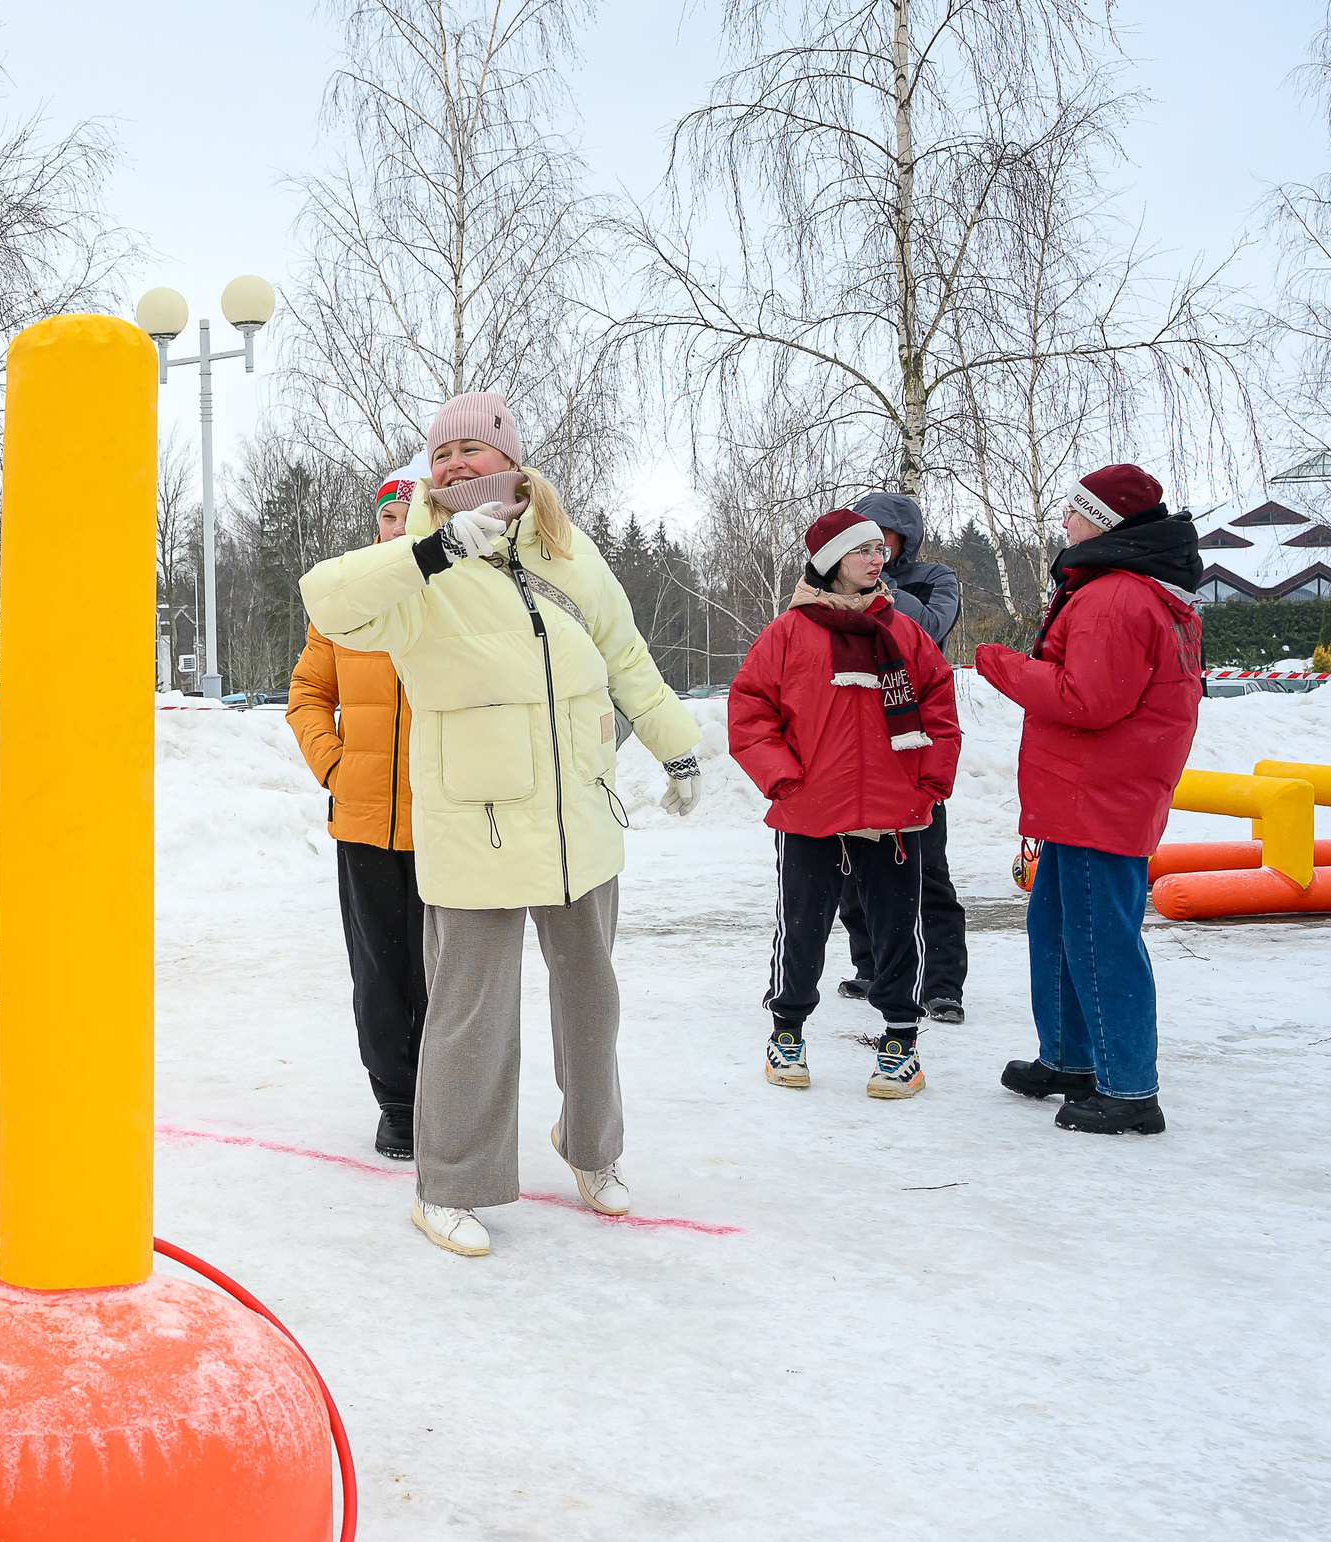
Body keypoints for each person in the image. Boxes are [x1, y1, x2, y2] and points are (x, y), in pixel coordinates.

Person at [300, 392, 706, 1257]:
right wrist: (434, 552)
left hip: (579, 821)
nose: (452, 467)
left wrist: (677, 747)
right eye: (441, 456)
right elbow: (328, 601)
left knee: (592, 1000)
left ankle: (594, 1149)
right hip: (476, 825)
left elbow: (625, 654)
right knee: (469, 1013)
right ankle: (449, 1184)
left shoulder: (567, 547)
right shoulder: (418, 565)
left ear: (510, 462)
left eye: (471, 452)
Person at [975, 465, 1202, 1136]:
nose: (1066, 524)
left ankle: (1131, 1089)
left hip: (1099, 795)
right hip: (1090, 791)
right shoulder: (1127, 589)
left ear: (1104, 522)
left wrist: (1003, 664)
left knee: (1101, 941)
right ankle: (1073, 1058)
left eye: (1076, 512)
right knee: (1056, 926)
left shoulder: (1116, 597)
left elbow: (1089, 699)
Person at [729, 510, 962, 1099]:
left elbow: (939, 708)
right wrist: (784, 781)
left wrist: (927, 784)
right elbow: (751, 712)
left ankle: (900, 1043)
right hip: (810, 810)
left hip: (894, 813)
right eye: (862, 551)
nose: (877, 558)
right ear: (831, 561)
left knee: (895, 930)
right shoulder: (787, 633)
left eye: (879, 551)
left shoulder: (904, 632)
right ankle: (787, 1034)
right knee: (802, 928)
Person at [288, 467, 424, 1160]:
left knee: (443, 970)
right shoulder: (344, 602)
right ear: (378, 526)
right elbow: (308, 691)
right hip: (365, 817)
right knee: (379, 969)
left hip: (445, 819)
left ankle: (445, 1095)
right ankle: (397, 1103)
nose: (400, 526)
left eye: (412, 514)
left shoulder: (454, 595)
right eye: (390, 516)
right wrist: (335, 766)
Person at [833, 492, 969, 1024]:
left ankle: (941, 985)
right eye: (859, 542)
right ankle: (871, 966)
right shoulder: (839, 586)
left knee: (927, 871)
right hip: (855, 745)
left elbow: (932, 630)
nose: (870, 551)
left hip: (911, 743)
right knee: (853, 869)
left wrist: (881, 592)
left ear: (902, 540)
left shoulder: (935, 579)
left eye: (880, 540)